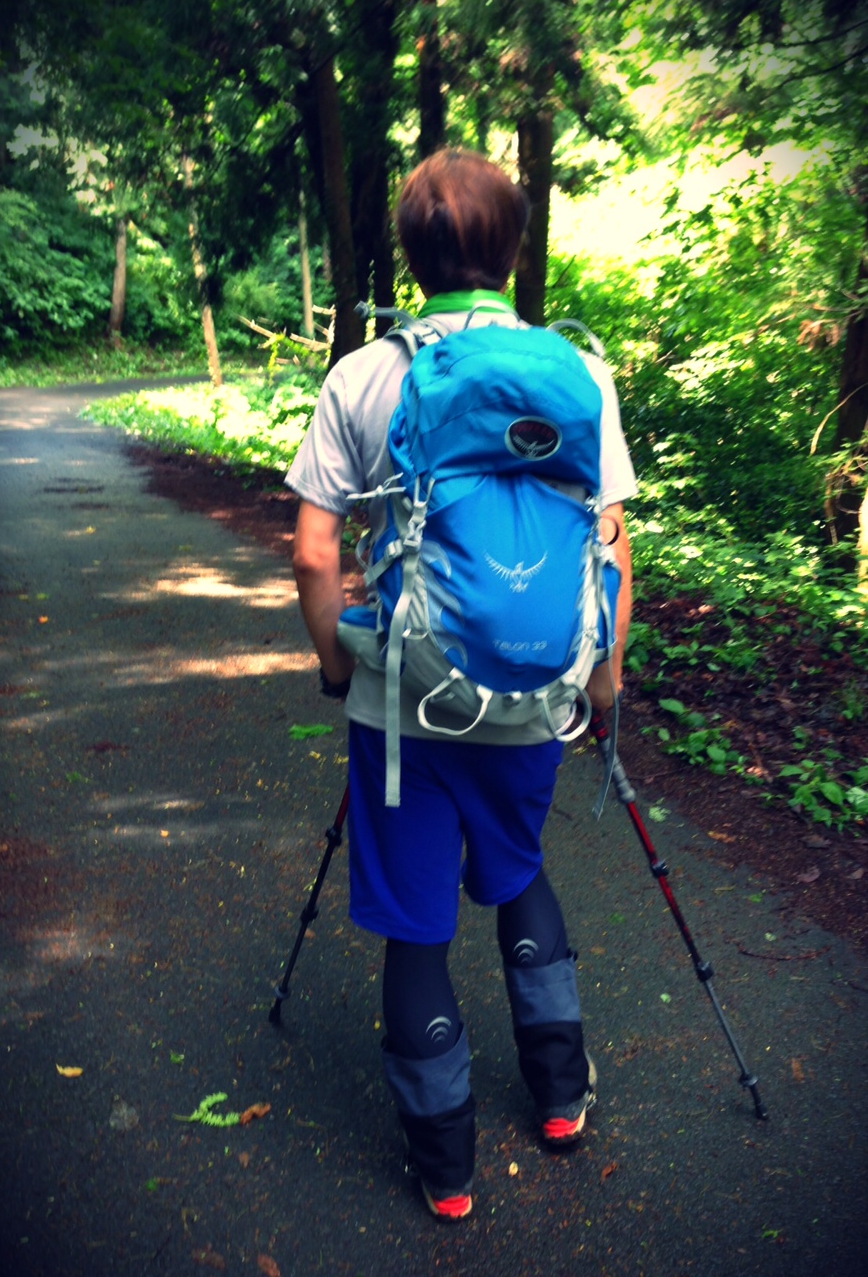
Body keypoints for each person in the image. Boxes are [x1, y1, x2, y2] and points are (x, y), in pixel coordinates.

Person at [285, 147, 636, 1222]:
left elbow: (312, 551)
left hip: (407, 706)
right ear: (514, 248)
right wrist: (604, 683)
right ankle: (563, 1097)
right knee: (519, 866)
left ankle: (445, 1169)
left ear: (409, 258)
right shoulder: (573, 371)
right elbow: (611, 540)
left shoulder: (364, 375)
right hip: (534, 697)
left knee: (418, 924)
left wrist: (338, 662)